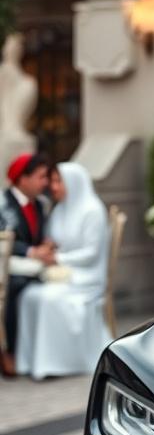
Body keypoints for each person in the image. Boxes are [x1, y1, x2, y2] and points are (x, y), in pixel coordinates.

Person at [15, 162, 111, 380]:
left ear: (73, 182)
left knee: (49, 299)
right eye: (53, 181)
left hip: (86, 277)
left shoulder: (92, 210)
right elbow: (54, 241)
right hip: (63, 273)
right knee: (29, 295)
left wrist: (57, 258)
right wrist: (50, 248)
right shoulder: (59, 210)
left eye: (59, 181)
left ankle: (57, 364)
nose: (53, 186)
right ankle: (32, 362)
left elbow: (91, 254)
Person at [1, 153, 52, 376]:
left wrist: (46, 246)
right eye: (41, 177)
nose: (45, 183)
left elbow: (38, 237)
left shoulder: (40, 205)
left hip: (30, 266)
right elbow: (4, 237)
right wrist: (32, 251)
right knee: (14, 286)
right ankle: (9, 351)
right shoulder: (3, 204)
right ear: (23, 179)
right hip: (6, 267)